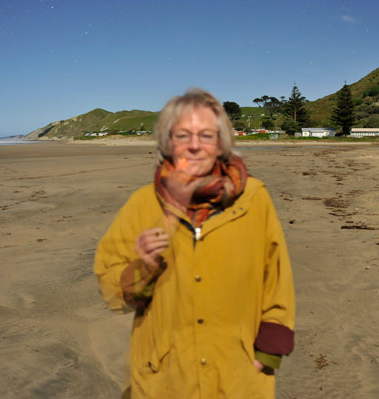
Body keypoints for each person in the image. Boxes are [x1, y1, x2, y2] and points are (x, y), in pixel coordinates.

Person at [94, 88, 295, 398]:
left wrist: (268, 352)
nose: (194, 146)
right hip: (165, 378)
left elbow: (276, 275)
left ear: (221, 143)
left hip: (238, 374)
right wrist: (143, 267)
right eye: (183, 135)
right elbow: (110, 287)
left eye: (206, 135)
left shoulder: (255, 198)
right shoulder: (142, 204)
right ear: (167, 142)